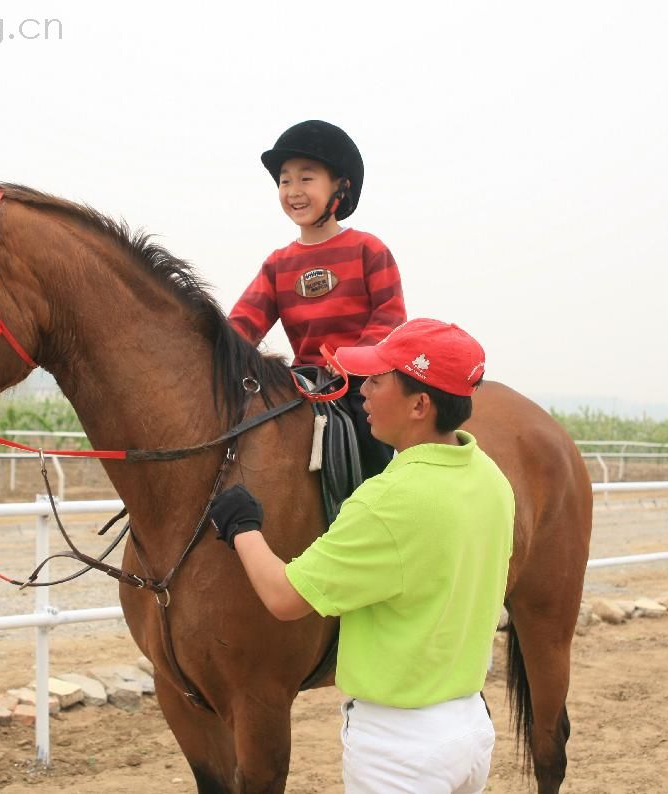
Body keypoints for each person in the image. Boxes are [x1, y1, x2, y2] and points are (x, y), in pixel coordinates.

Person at [210, 319, 515, 794]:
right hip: (469, 727)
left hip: (400, 748)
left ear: (420, 404)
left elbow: (284, 598)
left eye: (376, 380)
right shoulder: (491, 478)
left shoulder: (388, 500)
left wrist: (242, 527)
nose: (362, 392)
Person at [228, 119, 407, 478]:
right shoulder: (279, 264)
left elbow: (391, 318)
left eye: (306, 178)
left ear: (341, 186)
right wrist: (217, 352)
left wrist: (349, 360)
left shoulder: (368, 249)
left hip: (360, 381)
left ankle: (377, 503)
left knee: (369, 431)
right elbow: (244, 324)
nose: (293, 190)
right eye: (285, 180)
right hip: (305, 382)